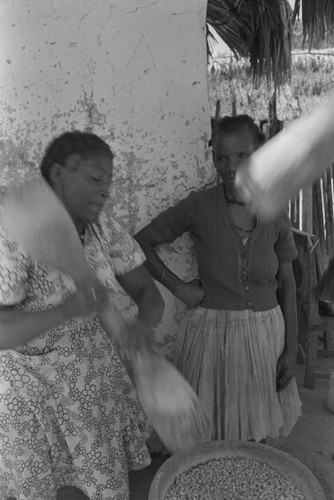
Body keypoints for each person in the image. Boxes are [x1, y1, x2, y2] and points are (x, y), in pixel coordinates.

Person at [0, 131, 164, 500]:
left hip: (91, 391)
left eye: (109, 181)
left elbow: (147, 292)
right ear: (58, 173)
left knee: (93, 485)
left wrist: (143, 325)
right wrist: (65, 310)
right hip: (31, 396)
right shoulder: (13, 231)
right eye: (95, 177)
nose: (105, 189)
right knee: (46, 489)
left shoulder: (103, 229)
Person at [134, 114, 302, 444]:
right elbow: (141, 241)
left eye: (242, 155)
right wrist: (178, 287)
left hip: (266, 336)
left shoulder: (274, 209)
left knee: (256, 429)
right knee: (210, 433)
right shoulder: (199, 206)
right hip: (211, 337)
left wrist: (292, 349)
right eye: (221, 156)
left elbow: (287, 282)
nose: (229, 165)